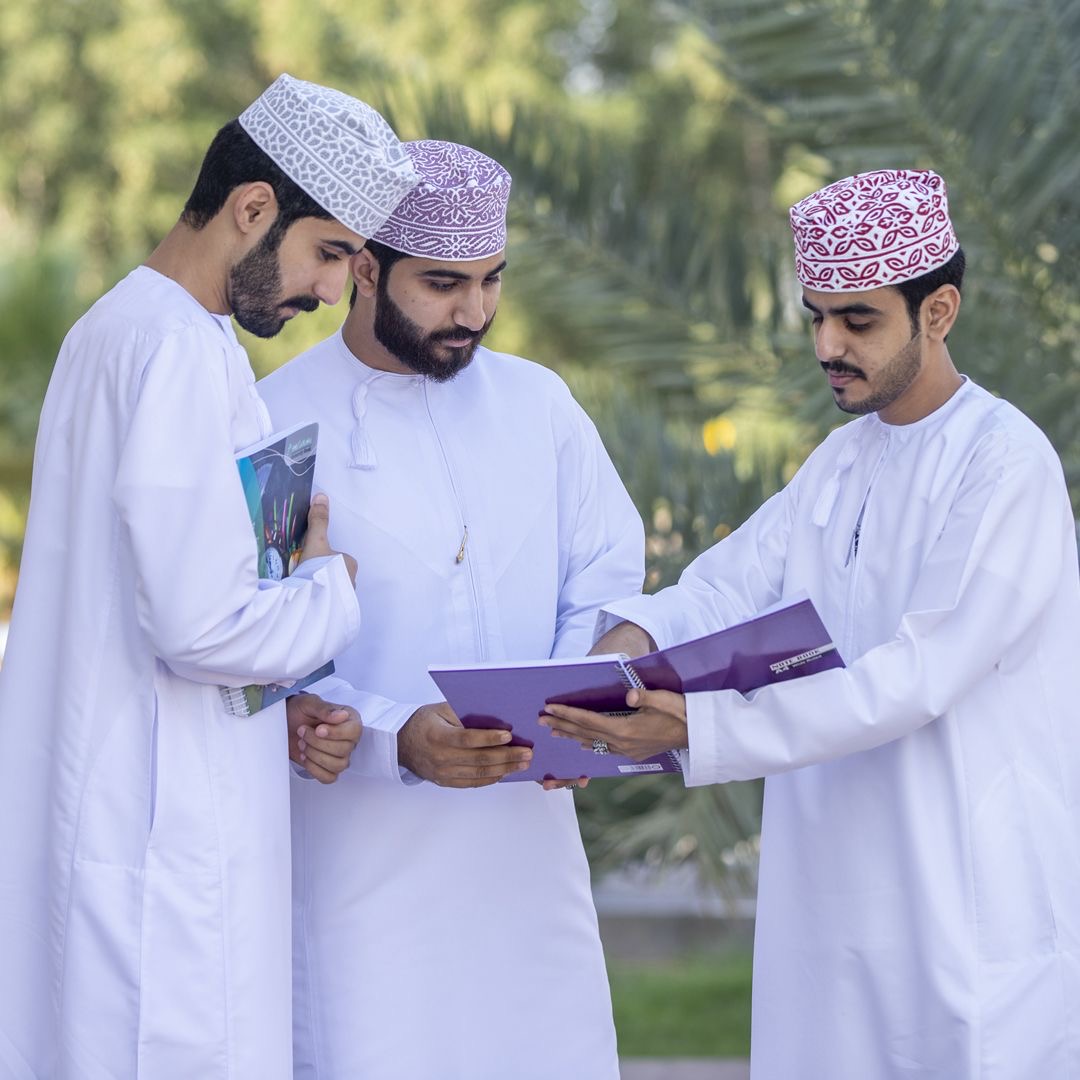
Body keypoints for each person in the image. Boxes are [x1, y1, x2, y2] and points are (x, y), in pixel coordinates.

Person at [541, 169, 1080, 1078]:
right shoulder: (842, 459)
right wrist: (625, 651)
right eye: (817, 317)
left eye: (858, 320)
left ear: (938, 310)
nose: (828, 345)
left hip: (962, 894)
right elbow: (726, 589)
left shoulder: (1005, 464)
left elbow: (916, 676)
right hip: (830, 897)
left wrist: (702, 726)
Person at [0, 75, 418, 1079]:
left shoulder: (117, 328)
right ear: (253, 208)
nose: (332, 293)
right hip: (162, 843)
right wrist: (327, 587)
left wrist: (280, 689)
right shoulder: (178, 350)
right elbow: (201, 626)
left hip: (125, 810)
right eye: (330, 254)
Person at [258, 139, 644, 1080]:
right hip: (356, 862)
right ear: (364, 268)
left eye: (490, 280)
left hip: (528, 852)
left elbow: (604, 576)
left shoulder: (539, 404)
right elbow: (259, 646)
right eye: (442, 283)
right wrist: (394, 738)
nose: (473, 312)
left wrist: (572, 703)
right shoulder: (274, 421)